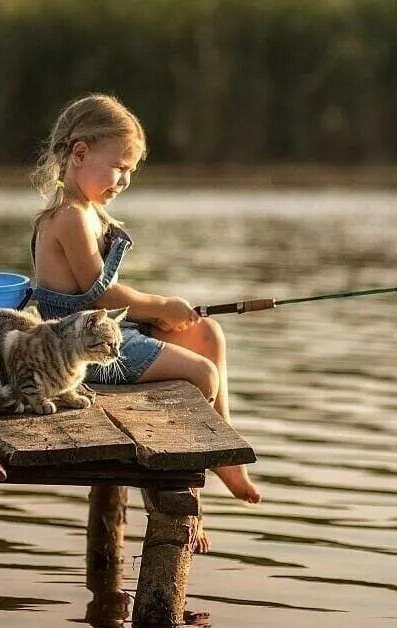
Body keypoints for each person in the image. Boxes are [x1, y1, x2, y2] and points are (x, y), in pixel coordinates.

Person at [29, 94, 261, 513]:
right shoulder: (70, 217)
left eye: (130, 172)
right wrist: (161, 305)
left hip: (107, 330)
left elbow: (102, 294)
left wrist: (163, 313)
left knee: (207, 334)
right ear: (80, 154)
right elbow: (100, 295)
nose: (124, 180)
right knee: (203, 376)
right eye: (120, 168)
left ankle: (223, 446)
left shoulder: (89, 210)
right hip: (84, 351)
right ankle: (177, 485)